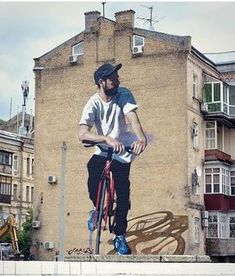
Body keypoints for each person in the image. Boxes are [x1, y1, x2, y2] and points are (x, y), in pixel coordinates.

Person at [78, 63, 147, 255]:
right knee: (93, 178)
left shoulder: (123, 94)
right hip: (102, 151)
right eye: (113, 79)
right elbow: (82, 133)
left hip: (123, 153)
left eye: (117, 78)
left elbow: (132, 118)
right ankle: (96, 209)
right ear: (102, 82)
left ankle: (120, 236)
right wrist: (105, 138)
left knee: (123, 198)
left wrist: (141, 138)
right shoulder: (93, 103)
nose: (118, 81)